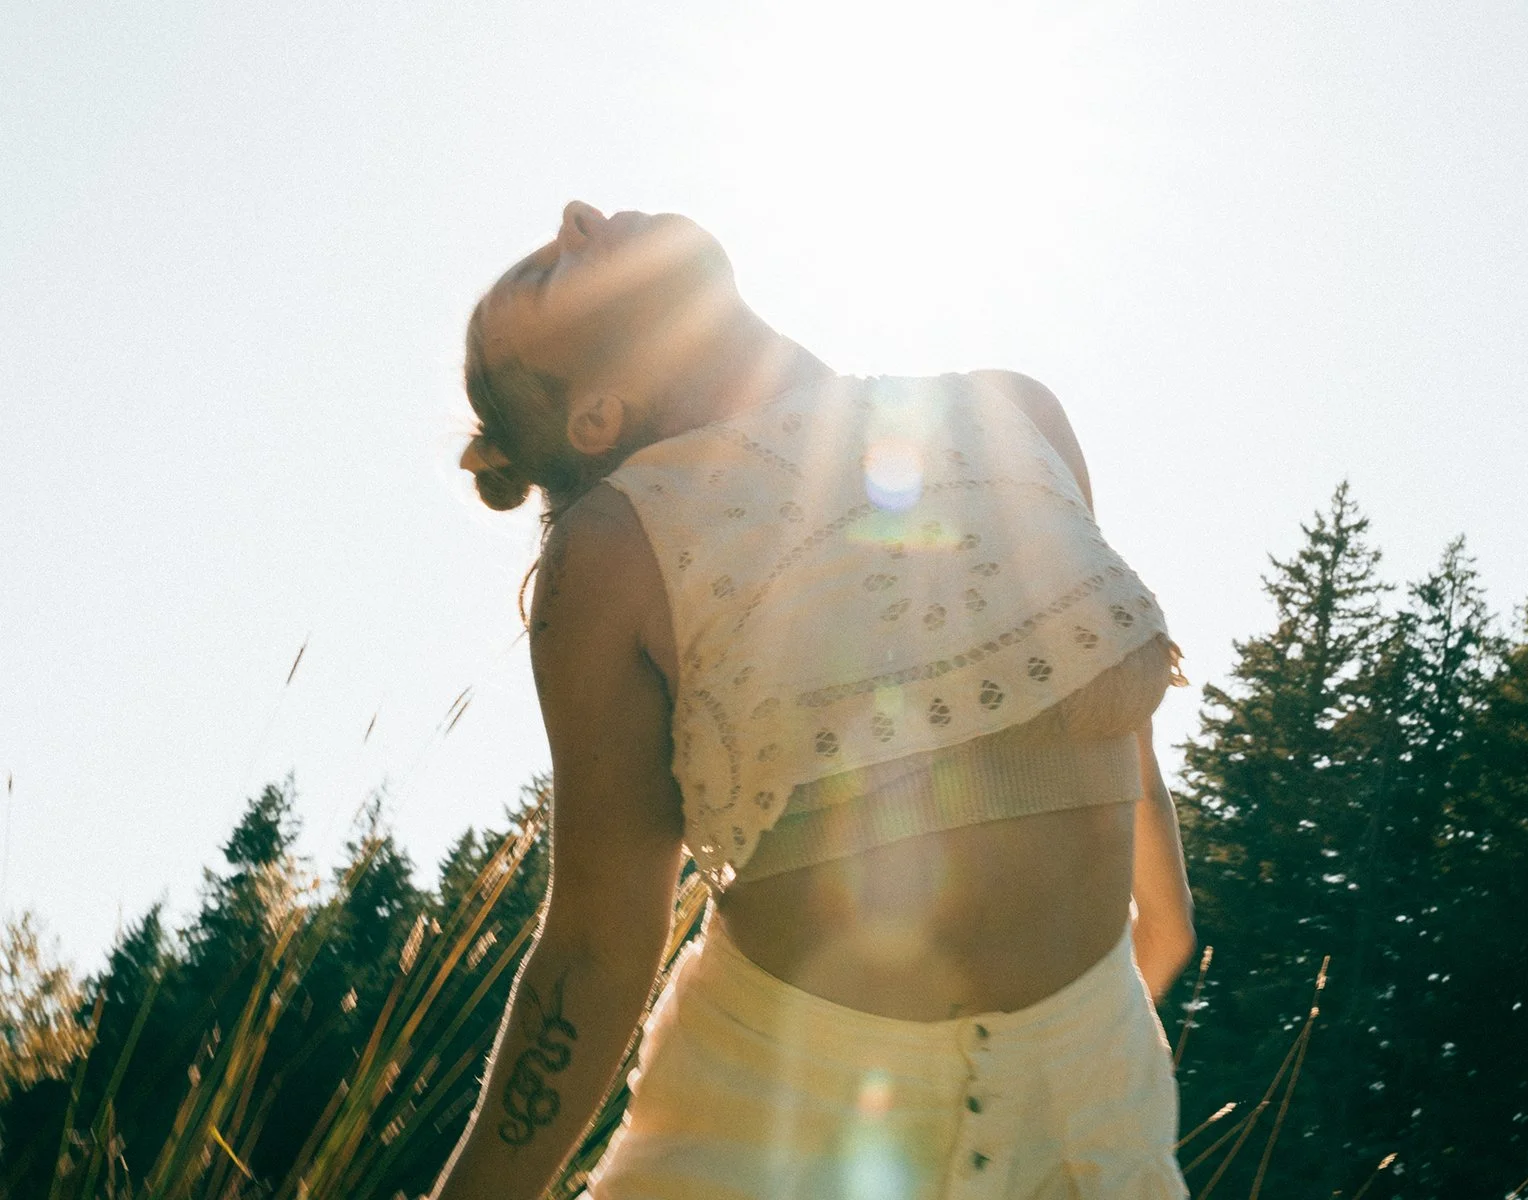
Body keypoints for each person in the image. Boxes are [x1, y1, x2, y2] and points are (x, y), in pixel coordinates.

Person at [431, 202, 1196, 1200]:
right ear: (596, 418)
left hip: (1095, 1124)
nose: (577, 216)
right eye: (544, 276)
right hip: (771, 1136)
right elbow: (594, 944)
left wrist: (1162, 929)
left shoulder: (1015, 413)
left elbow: (1094, 702)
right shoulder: (613, 552)